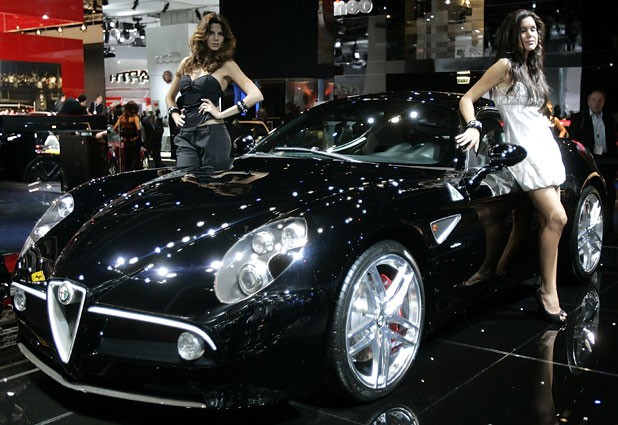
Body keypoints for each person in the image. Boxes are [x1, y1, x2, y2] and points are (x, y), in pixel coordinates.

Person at [455, 9, 568, 324]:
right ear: (512, 34)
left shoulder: (533, 69)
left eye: (534, 29)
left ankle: (522, 278)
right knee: (557, 218)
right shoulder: (504, 66)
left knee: (544, 222)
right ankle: (548, 293)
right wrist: (474, 126)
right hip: (524, 152)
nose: (530, 35)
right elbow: (467, 98)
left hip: (545, 147)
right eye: (524, 30)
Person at [165, 12, 263, 170]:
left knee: (212, 184)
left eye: (220, 34)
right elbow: (169, 97)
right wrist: (174, 114)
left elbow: (256, 95)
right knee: (185, 180)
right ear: (202, 35)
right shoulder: (186, 63)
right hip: (186, 135)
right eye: (211, 33)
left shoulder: (227, 65)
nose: (216, 38)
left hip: (213, 134)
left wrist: (221, 114)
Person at [570, 89, 617, 235]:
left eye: (600, 100)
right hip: (588, 161)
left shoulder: (608, 119)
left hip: (607, 161)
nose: (597, 103)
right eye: (594, 100)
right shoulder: (580, 118)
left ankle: (607, 230)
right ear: (588, 101)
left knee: (609, 195)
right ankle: (587, 230)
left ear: (604, 102)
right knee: (590, 195)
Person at [113, 100, 142, 171]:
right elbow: (138, 129)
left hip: (126, 141)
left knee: (127, 159)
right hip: (134, 141)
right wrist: (137, 137)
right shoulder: (135, 117)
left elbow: (115, 128)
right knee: (135, 159)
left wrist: (121, 136)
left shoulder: (121, 118)